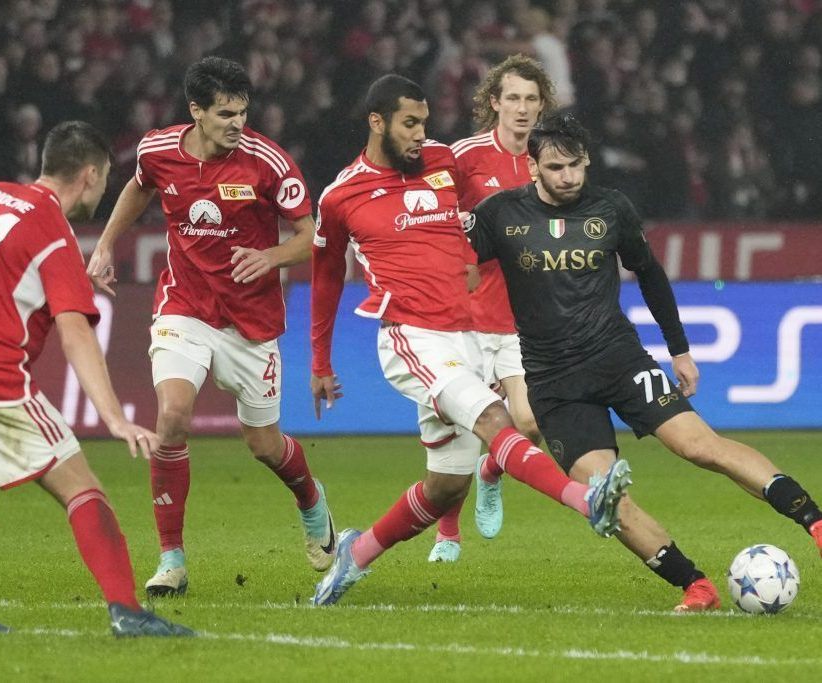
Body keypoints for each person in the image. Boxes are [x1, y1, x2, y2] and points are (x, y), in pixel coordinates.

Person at [467, 113, 822, 611]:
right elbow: (452, 270)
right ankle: (696, 586)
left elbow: (650, 275)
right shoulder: (499, 214)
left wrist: (679, 350)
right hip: (554, 383)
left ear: (587, 161)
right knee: (605, 495)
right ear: (532, 168)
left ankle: (815, 522)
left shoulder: (611, 208)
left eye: (575, 165)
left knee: (701, 447)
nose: (568, 177)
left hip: (619, 359)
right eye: (555, 168)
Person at [309, 74, 632, 607]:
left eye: (424, 123)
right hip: (411, 336)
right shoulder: (342, 194)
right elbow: (325, 277)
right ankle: (586, 500)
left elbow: (481, 214)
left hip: (467, 334)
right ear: (376, 122)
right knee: (496, 420)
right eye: (409, 124)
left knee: (445, 487)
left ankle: (356, 554)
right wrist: (320, 360)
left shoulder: (442, 161)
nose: (421, 134)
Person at [0, 121, 193, 637]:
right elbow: (76, 334)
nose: (102, 192)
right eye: (104, 180)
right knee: (81, 487)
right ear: (90, 175)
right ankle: (128, 613)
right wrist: (114, 418)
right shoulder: (52, 228)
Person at [86, 56, 336, 598]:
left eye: (243, 112)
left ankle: (310, 500)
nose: (237, 124)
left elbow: (310, 235)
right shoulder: (158, 150)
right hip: (186, 307)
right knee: (173, 416)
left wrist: (270, 257)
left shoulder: (268, 162)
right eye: (225, 114)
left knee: (264, 445)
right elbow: (139, 187)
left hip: (252, 322)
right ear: (196, 111)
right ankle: (171, 560)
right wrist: (105, 243)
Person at [429, 54, 557, 563]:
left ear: (542, 106)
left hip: (521, 321)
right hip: (466, 318)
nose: (522, 109)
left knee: (530, 425)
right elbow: (434, 216)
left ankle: (491, 472)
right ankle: (447, 533)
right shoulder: (464, 157)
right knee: (461, 430)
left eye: (531, 99)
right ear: (494, 103)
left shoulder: (549, 160)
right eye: (513, 98)